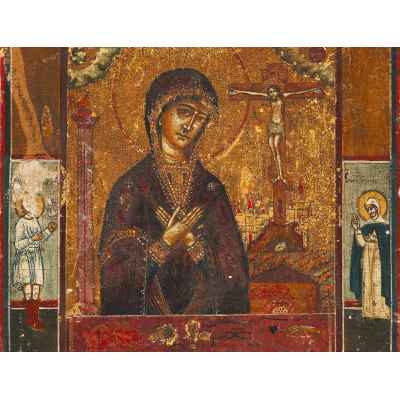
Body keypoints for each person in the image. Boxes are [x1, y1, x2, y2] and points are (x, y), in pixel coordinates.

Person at [99, 68, 249, 315]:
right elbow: (114, 279)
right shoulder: (132, 186)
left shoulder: (211, 190)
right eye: (184, 112)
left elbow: (235, 279)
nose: (190, 125)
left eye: (200, 118)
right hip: (145, 325)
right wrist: (166, 241)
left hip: (204, 325)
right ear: (159, 113)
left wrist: (192, 243)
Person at [13, 193, 57, 330]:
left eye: (39, 205)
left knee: (36, 289)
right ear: (26, 206)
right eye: (35, 205)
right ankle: (29, 320)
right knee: (28, 289)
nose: (38, 208)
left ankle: (35, 320)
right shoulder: (21, 223)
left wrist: (48, 231)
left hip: (36, 257)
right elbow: (18, 245)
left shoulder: (35, 221)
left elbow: (40, 239)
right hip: (25, 259)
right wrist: (32, 239)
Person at [350, 195, 391, 319]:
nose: (370, 212)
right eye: (368, 210)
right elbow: (361, 243)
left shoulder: (385, 225)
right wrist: (357, 229)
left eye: (372, 209)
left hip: (379, 258)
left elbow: (387, 245)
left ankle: (380, 311)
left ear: (377, 208)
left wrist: (376, 240)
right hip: (367, 258)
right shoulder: (365, 226)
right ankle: (368, 311)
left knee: (377, 281)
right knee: (367, 282)